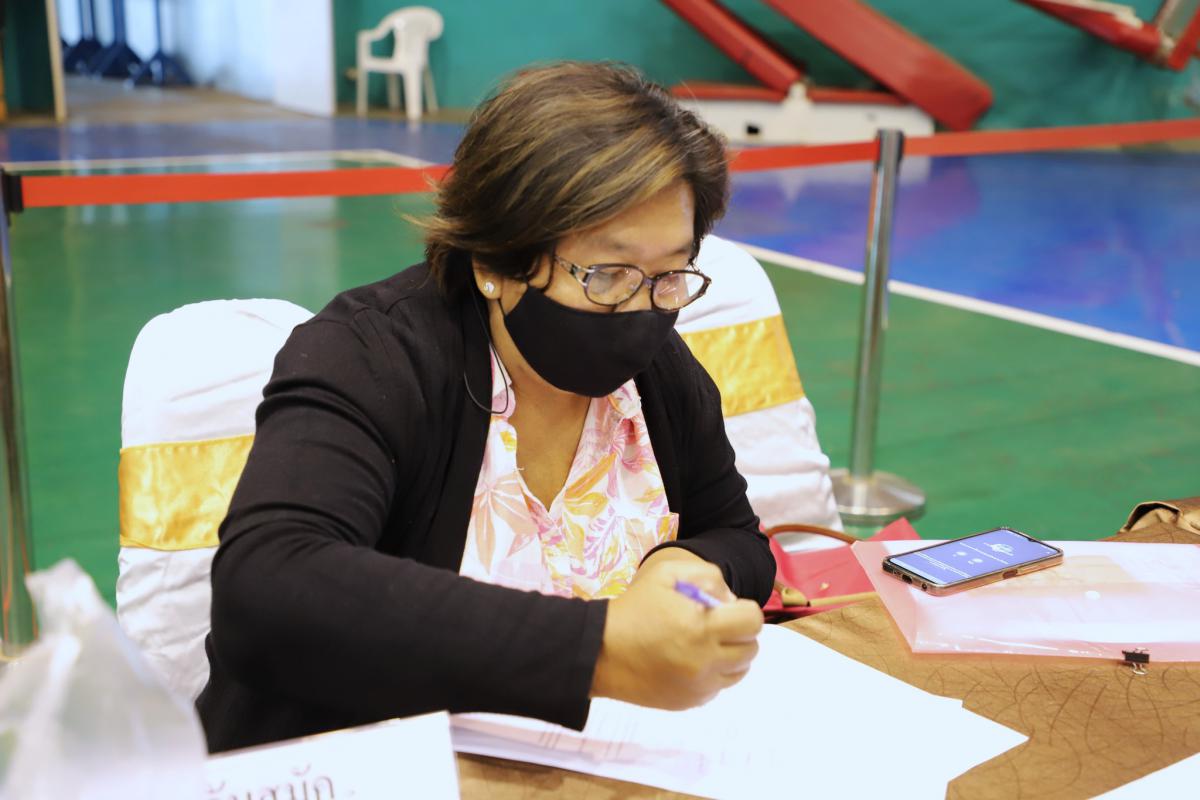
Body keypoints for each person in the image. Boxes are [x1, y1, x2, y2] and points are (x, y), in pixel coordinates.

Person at [197, 61, 775, 753]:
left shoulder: (659, 379)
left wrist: (684, 567)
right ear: (496, 263)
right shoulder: (370, 356)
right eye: (607, 275)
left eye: (669, 274)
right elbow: (267, 587)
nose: (643, 309)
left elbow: (739, 539)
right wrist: (598, 650)